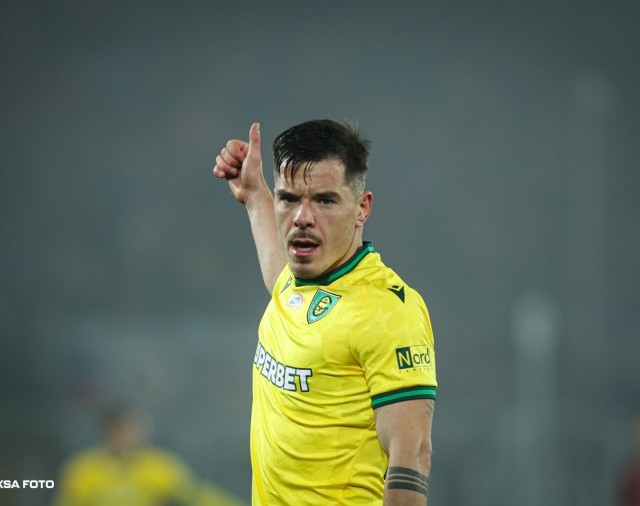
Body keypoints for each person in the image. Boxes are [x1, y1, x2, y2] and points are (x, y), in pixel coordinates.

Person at [213, 120, 437, 505]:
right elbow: (279, 273)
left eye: (325, 201)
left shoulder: (387, 312)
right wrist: (253, 194)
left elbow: (413, 455)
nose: (302, 217)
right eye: (288, 199)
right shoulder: (295, 282)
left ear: (362, 208)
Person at [53, 402, 246, 506]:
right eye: (129, 431)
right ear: (111, 433)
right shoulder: (84, 470)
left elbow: (197, 496)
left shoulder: (156, 466)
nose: (136, 436)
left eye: (138, 430)